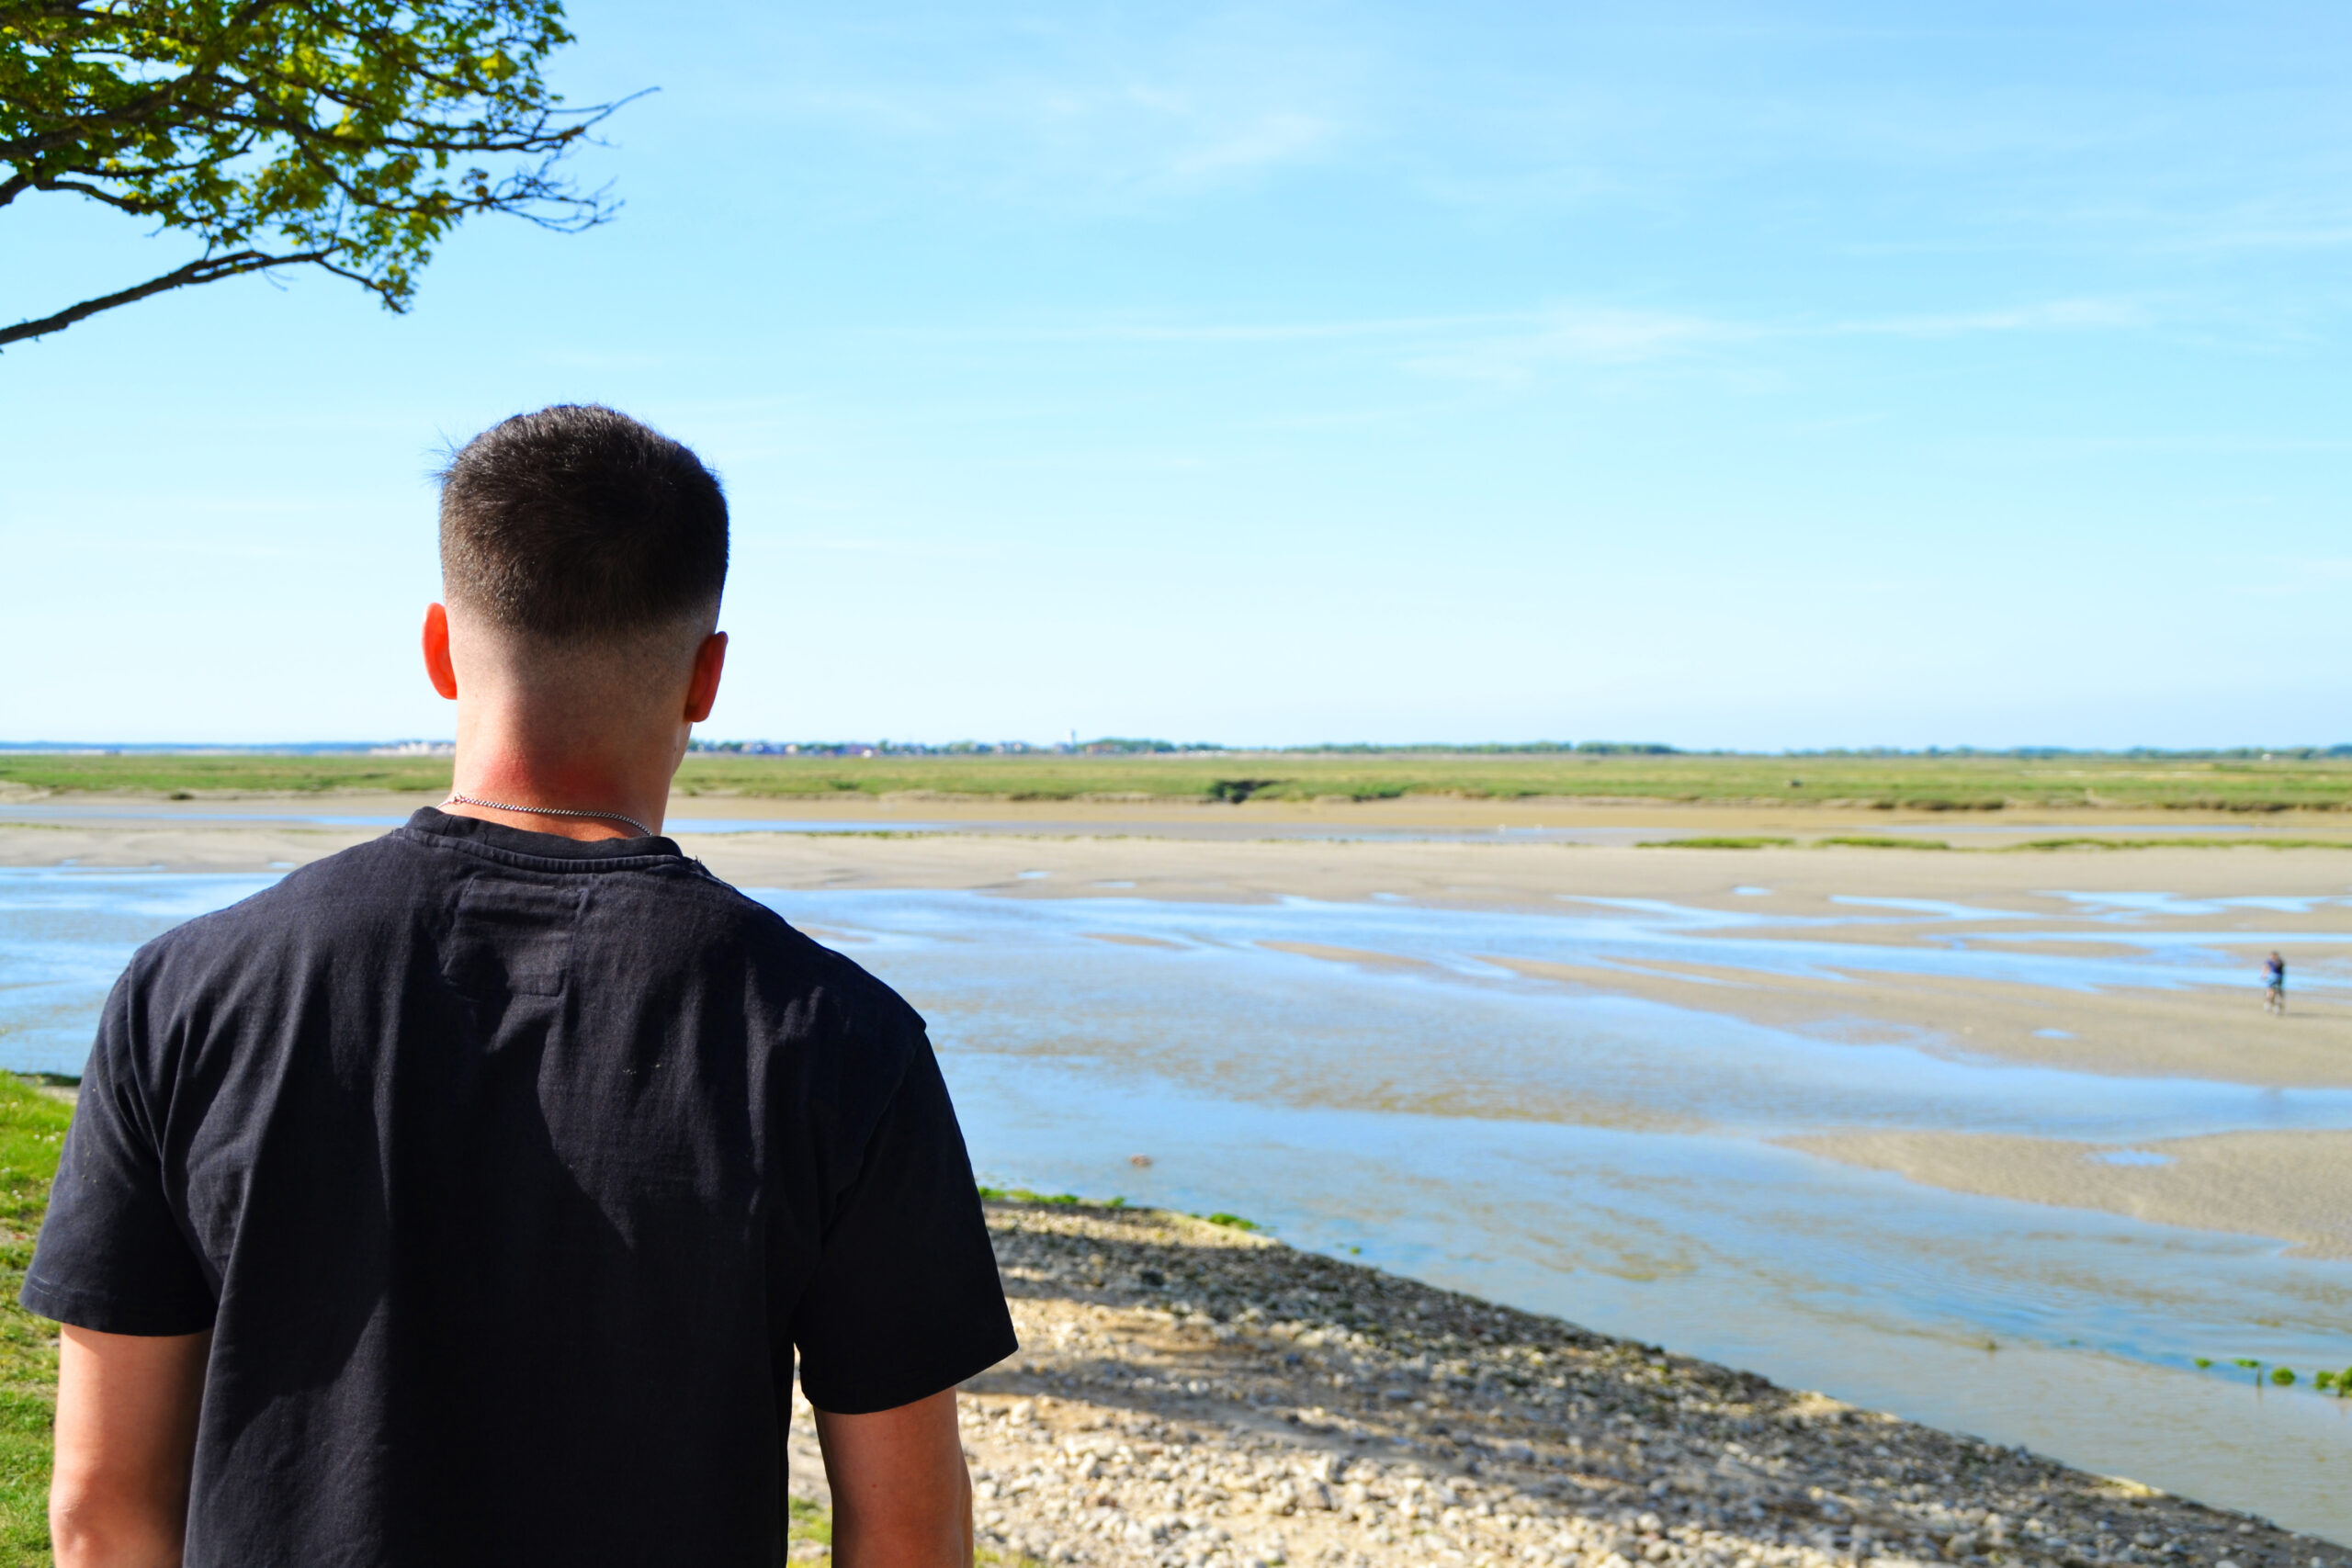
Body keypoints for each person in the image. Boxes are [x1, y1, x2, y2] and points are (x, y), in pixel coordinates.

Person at [25, 405, 1016, 1567]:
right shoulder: (838, 1039)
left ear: (442, 649)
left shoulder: (187, 994)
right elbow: (905, 1530)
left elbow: (100, 1510)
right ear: (707, 678)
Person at [2266, 951, 2287, 1015]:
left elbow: (2282, 971)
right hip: (2274, 978)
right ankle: (2270, 1003)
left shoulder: (2279, 962)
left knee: (2276, 993)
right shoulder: (2270, 962)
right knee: (2272, 991)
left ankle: (2274, 1005)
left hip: (2277, 979)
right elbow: (2266, 968)